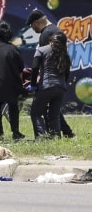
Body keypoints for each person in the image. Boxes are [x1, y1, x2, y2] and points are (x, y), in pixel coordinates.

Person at [26, 9, 76, 138]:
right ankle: (63, 133)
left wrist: (36, 83)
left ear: (37, 22)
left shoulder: (46, 34)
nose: (33, 30)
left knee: (40, 109)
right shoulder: (57, 30)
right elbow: (63, 60)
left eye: (32, 26)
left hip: (48, 79)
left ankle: (46, 135)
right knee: (54, 109)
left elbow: (43, 61)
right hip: (60, 79)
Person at [29, 32, 71, 139]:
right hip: (61, 88)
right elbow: (67, 73)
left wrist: (33, 84)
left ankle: (41, 137)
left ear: (50, 40)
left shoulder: (41, 50)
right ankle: (56, 137)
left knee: (36, 112)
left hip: (47, 85)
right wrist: (62, 84)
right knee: (55, 115)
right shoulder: (65, 53)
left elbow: (34, 68)